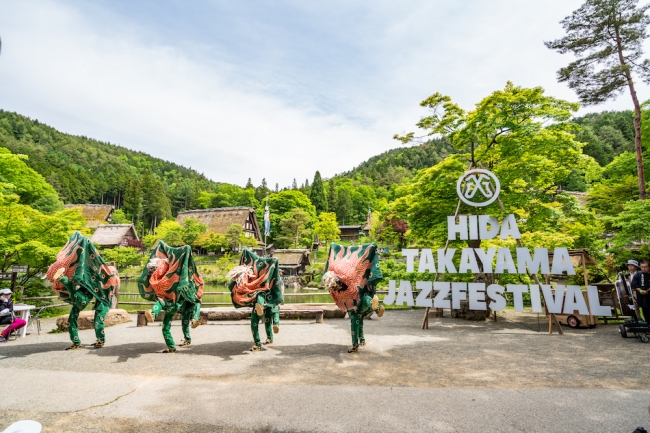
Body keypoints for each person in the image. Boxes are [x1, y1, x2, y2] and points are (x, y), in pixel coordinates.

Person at [46, 232, 119, 350]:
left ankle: (99, 340)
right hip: (86, 293)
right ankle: (77, 342)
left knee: (98, 317)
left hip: (101, 298)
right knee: (73, 316)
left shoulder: (110, 279)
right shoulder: (96, 275)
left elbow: (107, 286)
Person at [138, 242, 203, 353]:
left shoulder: (166, 277)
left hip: (170, 303)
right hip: (181, 301)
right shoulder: (182, 278)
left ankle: (171, 345)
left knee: (165, 324)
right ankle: (192, 326)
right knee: (189, 312)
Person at [322, 242, 385, 353]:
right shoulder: (342, 285)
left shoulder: (343, 282)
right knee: (360, 316)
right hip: (358, 299)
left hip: (354, 302)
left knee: (356, 320)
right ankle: (375, 310)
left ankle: (355, 345)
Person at [227, 250, 283, 351]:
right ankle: (274, 328)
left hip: (259, 299)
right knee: (271, 317)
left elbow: (234, 285)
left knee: (254, 322)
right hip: (271, 300)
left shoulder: (256, 281)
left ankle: (258, 344)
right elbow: (280, 292)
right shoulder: (273, 280)